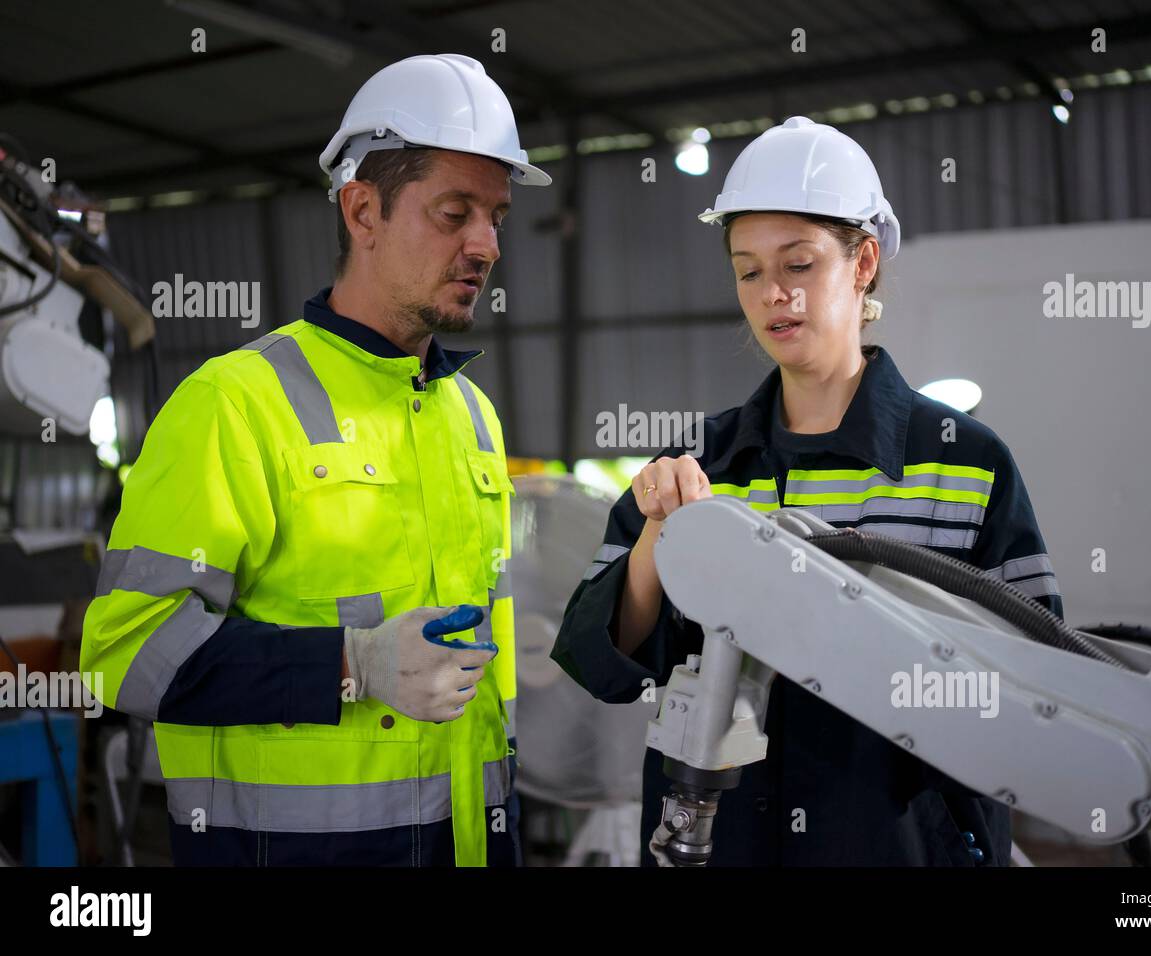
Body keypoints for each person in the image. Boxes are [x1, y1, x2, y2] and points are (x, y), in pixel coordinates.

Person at [551, 116, 1062, 866]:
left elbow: (1038, 686)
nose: (773, 295)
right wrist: (662, 532)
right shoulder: (701, 464)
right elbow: (602, 663)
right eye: (749, 270)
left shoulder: (966, 465)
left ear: (863, 264)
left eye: (799, 264)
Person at [80, 54, 551, 866]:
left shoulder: (472, 417)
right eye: (454, 213)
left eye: (497, 217)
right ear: (363, 211)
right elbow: (123, 653)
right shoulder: (235, 402)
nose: (486, 245)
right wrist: (352, 664)